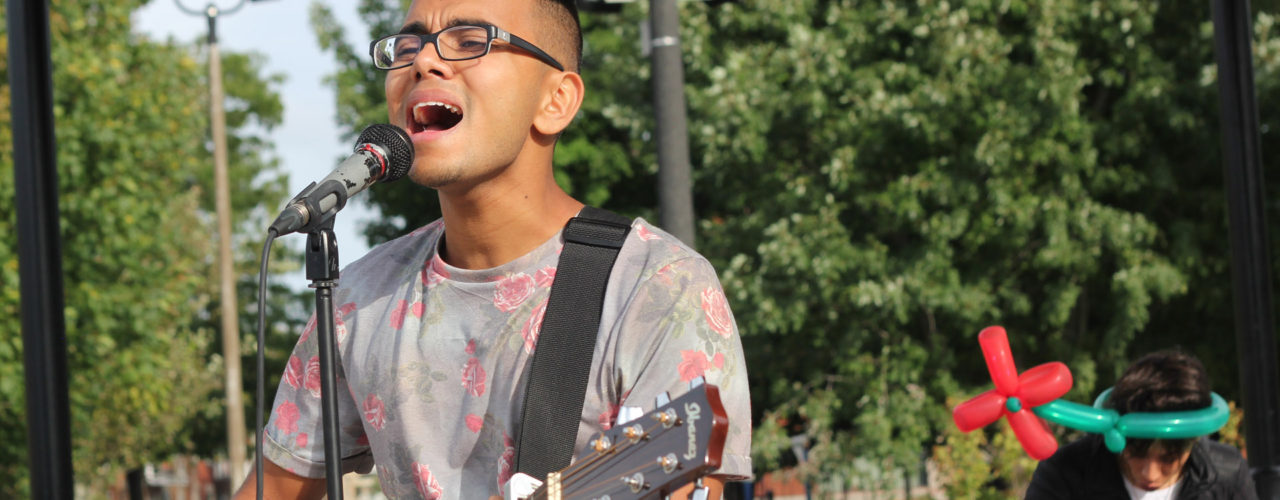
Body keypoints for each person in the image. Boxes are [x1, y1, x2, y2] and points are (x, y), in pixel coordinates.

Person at [231, 0, 752, 498]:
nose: (425, 61)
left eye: (469, 40)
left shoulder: (657, 289)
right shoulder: (358, 299)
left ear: (556, 100)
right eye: (408, 46)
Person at [1025, 350, 1256, 500]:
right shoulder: (1065, 472)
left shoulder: (1227, 473)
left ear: (1193, 441)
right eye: (1136, 453)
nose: (1149, 473)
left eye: (1168, 458)